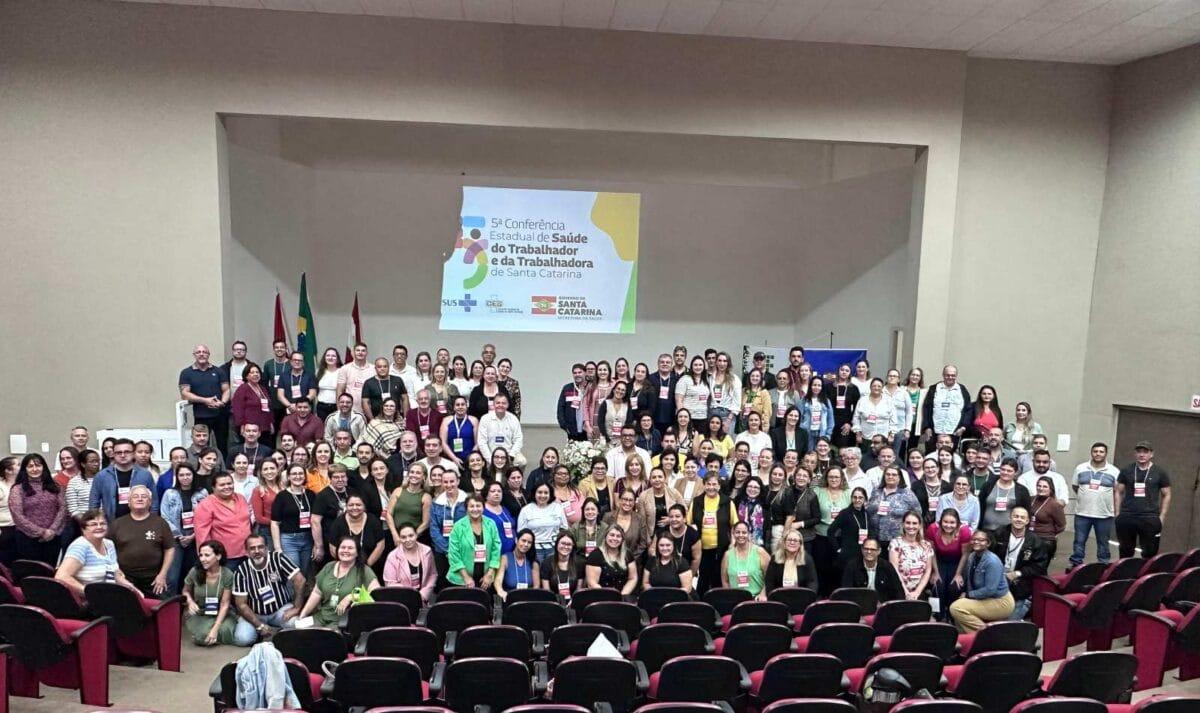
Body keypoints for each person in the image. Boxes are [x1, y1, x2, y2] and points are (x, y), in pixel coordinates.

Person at [230, 534, 305, 645]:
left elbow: (300, 580)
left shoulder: (278, 558)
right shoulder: (241, 571)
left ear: (266, 548)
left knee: (298, 625)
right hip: (255, 614)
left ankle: (275, 631)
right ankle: (264, 631)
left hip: (280, 610)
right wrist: (258, 625)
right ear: (246, 551)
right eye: (252, 548)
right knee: (243, 639)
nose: (257, 551)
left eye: (260, 547)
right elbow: (241, 605)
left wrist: (297, 607)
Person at [54, 508, 139, 597]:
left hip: (110, 594)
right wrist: (90, 593)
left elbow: (115, 574)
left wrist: (133, 590)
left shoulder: (109, 544)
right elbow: (61, 577)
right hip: (88, 601)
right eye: (93, 524)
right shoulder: (80, 546)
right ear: (83, 529)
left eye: (102, 523)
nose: (99, 527)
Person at [298, 536, 380, 628]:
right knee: (297, 629)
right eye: (342, 547)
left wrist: (352, 596)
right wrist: (303, 614)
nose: (345, 550)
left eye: (350, 548)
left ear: (357, 553)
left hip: (343, 622)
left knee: (321, 638)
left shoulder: (364, 570)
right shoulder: (329, 567)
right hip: (321, 617)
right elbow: (317, 592)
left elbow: (376, 595)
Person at [109, 485, 175, 597]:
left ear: (150, 502)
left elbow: (170, 549)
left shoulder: (160, 523)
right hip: (126, 577)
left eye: (144, 496)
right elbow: (107, 550)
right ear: (129, 502)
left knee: (160, 608)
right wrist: (116, 573)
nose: (140, 499)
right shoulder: (117, 524)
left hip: (155, 578)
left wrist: (163, 574)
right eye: (135, 496)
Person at [1115, 440, 1172, 559]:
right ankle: (1126, 575)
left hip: (1150, 518)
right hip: (1127, 516)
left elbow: (1167, 494)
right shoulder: (1126, 470)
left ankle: (1146, 577)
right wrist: (1117, 514)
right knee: (1125, 551)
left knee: (1150, 553)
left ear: (1151, 454)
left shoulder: (1160, 472)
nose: (1142, 455)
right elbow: (1118, 491)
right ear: (1135, 454)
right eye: (1139, 452)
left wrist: (1162, 517)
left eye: (1145, 452)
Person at [990, 505, 1047, 620]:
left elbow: (1039, 567)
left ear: (1027, 521)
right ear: (1010, 518)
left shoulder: (1036, 541)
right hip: (998, 579)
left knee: (1009, 623)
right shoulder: (998, 534)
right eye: (1015, 516)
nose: (1018, 519)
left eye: (1022, 517)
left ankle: (1025, 606)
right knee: (994, 619)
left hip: (1020, 583)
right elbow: (989, 556)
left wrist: (1018, 573)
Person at [949, 530, 1013, 632]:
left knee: (956, 608)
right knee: (958, 614)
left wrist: (968, 595)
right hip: (984, 597)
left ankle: (989, 635)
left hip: (1000, 601)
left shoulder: (992, 561)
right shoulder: (972, 556)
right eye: (974, 539)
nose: (976, 542)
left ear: (988, 543)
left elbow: (990, 590)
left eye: (981, 540)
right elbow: (970, 581)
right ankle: (969, 642)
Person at [9, 454, 67, 566]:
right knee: (32, 573)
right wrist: (41, 532)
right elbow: (17, 516)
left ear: (44, 467)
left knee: (50, 571)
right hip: (27, 539)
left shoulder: (56, 486)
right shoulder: (18, 489)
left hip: (53, 538)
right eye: (30, 466)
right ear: (24, 469)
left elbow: (63, 509)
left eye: (38, 465)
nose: (35, 469)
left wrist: (52, 530)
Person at [183, 540, 243, 646]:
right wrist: (190, 601)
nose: (202, 559)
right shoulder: (195, 571)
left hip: (221, 614)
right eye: (200, 555)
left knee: (224, 631)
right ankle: (209, 635)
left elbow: (225, 604)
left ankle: (215, 634)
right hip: (201, 614)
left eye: (207, 555)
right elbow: (185, 591)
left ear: (218, 556)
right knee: (201, 637)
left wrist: (215, 628)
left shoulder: (227, 574)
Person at [1071, 442, 1119, 569]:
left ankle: (1103, 566)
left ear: (1106, 454)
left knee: (1103, 543)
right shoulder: (1080, 468)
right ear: (1091, 452)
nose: (1098, 454)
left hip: (1104, 515)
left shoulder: (1114, 471)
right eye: (1095, 451)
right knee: (1079, 542)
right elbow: (1075, 486)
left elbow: (1118, 492)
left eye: (1101, 451)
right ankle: (1076, 565)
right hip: (1082, 513)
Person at [161, 463, 207, 593]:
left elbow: (207, 516)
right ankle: (171, 607)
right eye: (181, 475)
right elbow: (164, 516)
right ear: (177, 477)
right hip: (176, 538)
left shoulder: (202, 493)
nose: (185, 477)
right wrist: (179, 535)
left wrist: (193, 536)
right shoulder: (169, 493)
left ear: (193, 475)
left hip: (197, 538)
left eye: (188, 474)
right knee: (173, 577)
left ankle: (193, 607)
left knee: (196, 575)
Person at [194, 472, 253, 571]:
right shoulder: (206, 505)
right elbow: (202, 536)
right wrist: (208, 559)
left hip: (247, 553)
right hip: (226, 558)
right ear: (213, 487)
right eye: (222, 485)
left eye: (229, 483)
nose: (227, 487)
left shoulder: (241, 498)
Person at [180, 345, 231, 457]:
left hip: (220, 414)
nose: (202, 354)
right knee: (201, 445)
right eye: (198, 352)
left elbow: (226, 390)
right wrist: (205, 400)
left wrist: (222, 402)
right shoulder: (186, 373)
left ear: (208, 354)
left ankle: (223, 469)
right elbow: (185, 394)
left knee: (222, 444)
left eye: (204, 352)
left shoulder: (219, 371)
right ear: (194, 355)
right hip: (201, 415)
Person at [90, 438, 157, 523]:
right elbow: (94, 503)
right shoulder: (102, 476)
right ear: (113, 454)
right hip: (112, 524)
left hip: (141, 523)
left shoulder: (145, 474)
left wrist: (152, 522)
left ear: (133, 454)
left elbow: (154, 502)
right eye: (119, 452)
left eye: (127, 452)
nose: (122, 455)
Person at [445, 495, 500, 589]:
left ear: (483, 507)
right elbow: (454, 553)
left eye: (478, 506)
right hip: (461, 579)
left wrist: (489, 573)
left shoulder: (491, 524)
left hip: (485, 579)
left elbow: (496, 548)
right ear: (466, 509)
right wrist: (466, 577)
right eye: (471, 506)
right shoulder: (458, 526)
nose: (475, 509)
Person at [327, 493, 386, 576]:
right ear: (346, 507)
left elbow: (380, 545)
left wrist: (366, 566)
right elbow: (333, 548)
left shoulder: (373, 521)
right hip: (346, 570)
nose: (354, 508)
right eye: (351, 505)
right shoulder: (338, 523)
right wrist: (347, 564)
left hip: (372, 568)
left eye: (358, 505)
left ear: (364, 506)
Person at [927, 508, 970, 619]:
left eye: (952, 522)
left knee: (954, 587)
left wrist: (958, 574)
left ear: (957, 523)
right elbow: (931, 552)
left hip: (957, 562)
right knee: (937, 586)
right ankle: (937, 615)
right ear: (941, 522)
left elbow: (965, 554)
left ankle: (952, 616)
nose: (948, 525)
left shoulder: (964, 531)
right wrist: (935, 572)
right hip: (938, 561)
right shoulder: (932, 529)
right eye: (945, 522)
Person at [866, 466, 920, 551]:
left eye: (894, 475)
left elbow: (917, 514)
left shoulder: (907, 493)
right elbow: (868, 508)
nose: (890, 477)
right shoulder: (876, 490)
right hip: (874, 538)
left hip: (897, 539)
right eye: (888, 474)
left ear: (899, 477)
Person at [430, 469, 469, 586]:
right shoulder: (436, 503)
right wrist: (448, 549)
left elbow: (470, 525)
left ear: (458, 481)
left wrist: (456, 549)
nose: (449, 485)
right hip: (442, 551)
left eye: (452, 481)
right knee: (443, 582)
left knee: (462, 581)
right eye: (445, 482)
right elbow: (434, 529)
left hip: (463, 549)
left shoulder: (467, 501)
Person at [383, 524, 437, 604]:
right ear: (399, 538)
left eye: (411, 535)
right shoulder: (392, 556)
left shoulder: (427, 551)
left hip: (423, 599)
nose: (408, 540)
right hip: (402, 601)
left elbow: (433, 574)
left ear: (416, 535)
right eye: (403, 537)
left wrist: (423, 594)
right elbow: (389, 583)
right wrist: (410, 594)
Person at [920, 365, 972, 447]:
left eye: (953, 375)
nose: (950, 377)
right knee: (932, 455)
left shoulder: (962, 390)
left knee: (949, 456)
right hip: (934, 432)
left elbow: (968, 410)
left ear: (956, 376)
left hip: (954, 432)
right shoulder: (934, 388)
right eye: (947, 375)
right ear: (943, 375)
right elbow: (926, 408)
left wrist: (963, 427)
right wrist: (927, 427)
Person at [977, 458, 1032, 533]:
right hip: (986, 530)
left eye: (1009, 471)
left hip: (1008, 533)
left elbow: (1027, 512)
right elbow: (979, 506)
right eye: (1003, 469)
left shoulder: (1022, 490)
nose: (1005, 472)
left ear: (1015, 473)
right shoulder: (988, 485)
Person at [519, 483, 570, 563]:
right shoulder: (526, 510)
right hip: (534, 549)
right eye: (539, 492)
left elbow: (564, 528)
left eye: (546, 493)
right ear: (534, 493)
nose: (543, 495)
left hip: (554, 548)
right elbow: (521, 532)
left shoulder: (557, 508)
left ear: (550, 494)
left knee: (552, 573)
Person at [889, 512, 934, 601]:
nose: (911, 526)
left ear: (920, 525)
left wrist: (917, 592)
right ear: (903, 524)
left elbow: (928, 570)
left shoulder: (926, 545)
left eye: (914, 523)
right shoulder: (895, 543)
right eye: (908, 523)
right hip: (899, 590)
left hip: (919, 591)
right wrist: (906, 592)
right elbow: (894, 569)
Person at [721, 521, 770, 600]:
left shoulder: (760, 552)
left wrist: (763, 594)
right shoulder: (727, 555)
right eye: (737, 532)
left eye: (744, 532)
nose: (741, 535)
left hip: (756, 599)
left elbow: (770, 578)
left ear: (749, 534)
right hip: (735, 600)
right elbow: (725, 580)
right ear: (733, 534)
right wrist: (729, 597)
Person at [585, 524, 638, 594]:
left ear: (622, 539)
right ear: (605, 536)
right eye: (612, 535)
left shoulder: (628, 554)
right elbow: (592, 583)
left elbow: (633, 578)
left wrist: (622, 595)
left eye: (618, 536)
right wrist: (610, 597)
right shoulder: (595, 555)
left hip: (623, 597)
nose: (615, 538)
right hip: (601, 597)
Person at [477, 393, 525, 467]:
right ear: (493, 404)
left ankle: (514, 477)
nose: (500, 405)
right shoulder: (485, 419)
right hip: (491, 453)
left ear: (508, 405)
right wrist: (490, 459)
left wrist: (511, 456)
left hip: (509, 453)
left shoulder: (513, 419)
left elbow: (519, 439)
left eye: (503, 403)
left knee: (522, 461)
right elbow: (481, 442)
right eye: (498, 403)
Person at [603, 489, 647, 562]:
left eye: (630, 500)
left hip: (633, 562)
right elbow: (602, 539)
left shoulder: (640, 519)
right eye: (625, 499)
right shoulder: (608, 517)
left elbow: (643, 544)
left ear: (634, 502)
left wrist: (630, 559)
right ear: (619, 500)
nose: (627, 503)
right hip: (609, 561)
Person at [496, 528, 539, 599]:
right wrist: (500, 591)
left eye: (529, 542)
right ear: (516, 540)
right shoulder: (505, 558)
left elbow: (536, 587)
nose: (526, 544)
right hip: (509, 599)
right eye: (523, 541)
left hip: (528, 600)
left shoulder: (534, 562)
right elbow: (498, 580)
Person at [1029, 476, 1066, 558]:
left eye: (1045, 486)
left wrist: (1049, 532)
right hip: (1029, 537)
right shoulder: (1030, 499)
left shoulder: (1055, 505)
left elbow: (1062, 525)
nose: (1041, 488)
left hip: (1045, 540)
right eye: (1039, 486)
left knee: (1040, 567)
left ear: (1051, 489)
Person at [361, 357, 407, 422]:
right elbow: (365, 402)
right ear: (375, 368)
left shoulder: (398, 380)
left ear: (389, 367)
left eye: (385, 366)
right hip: (377, 419)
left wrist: (406, 417)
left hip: (396, 419)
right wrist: (372, 420)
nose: (382, 369)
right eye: (379, 367)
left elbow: (405, 398)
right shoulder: (369, 383)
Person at [542, 532, 583, 601]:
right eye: (563, 543)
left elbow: (578, 590)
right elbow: (547, 591)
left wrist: (572, 602)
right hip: (552, 603)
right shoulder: (547, 562)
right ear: (557, 544)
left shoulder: (579, 563)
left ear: (573, 546)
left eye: (569, 544)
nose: (566, 547)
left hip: (573, 603)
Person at [441, 396, 478, 467]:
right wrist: (454, 458)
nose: (460, 407)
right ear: (454, 407)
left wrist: (471, 458)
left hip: (470, 461)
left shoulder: (474, 420)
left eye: (463, 404)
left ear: (466, 406)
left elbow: (477, 443)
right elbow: (443, 442)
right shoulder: (446, 420)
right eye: (457, 405)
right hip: (451, 459)